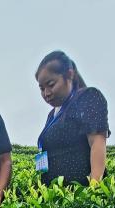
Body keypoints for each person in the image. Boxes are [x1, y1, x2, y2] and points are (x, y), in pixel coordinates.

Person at [35, 50, 110, 185]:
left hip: (80, 195)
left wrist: (94, 189)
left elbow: (97, 142)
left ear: (69, 75)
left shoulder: (88, 96)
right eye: (41, 88)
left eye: (51, 84)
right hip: (55, 197)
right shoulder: (52, 115)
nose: (46, 93)